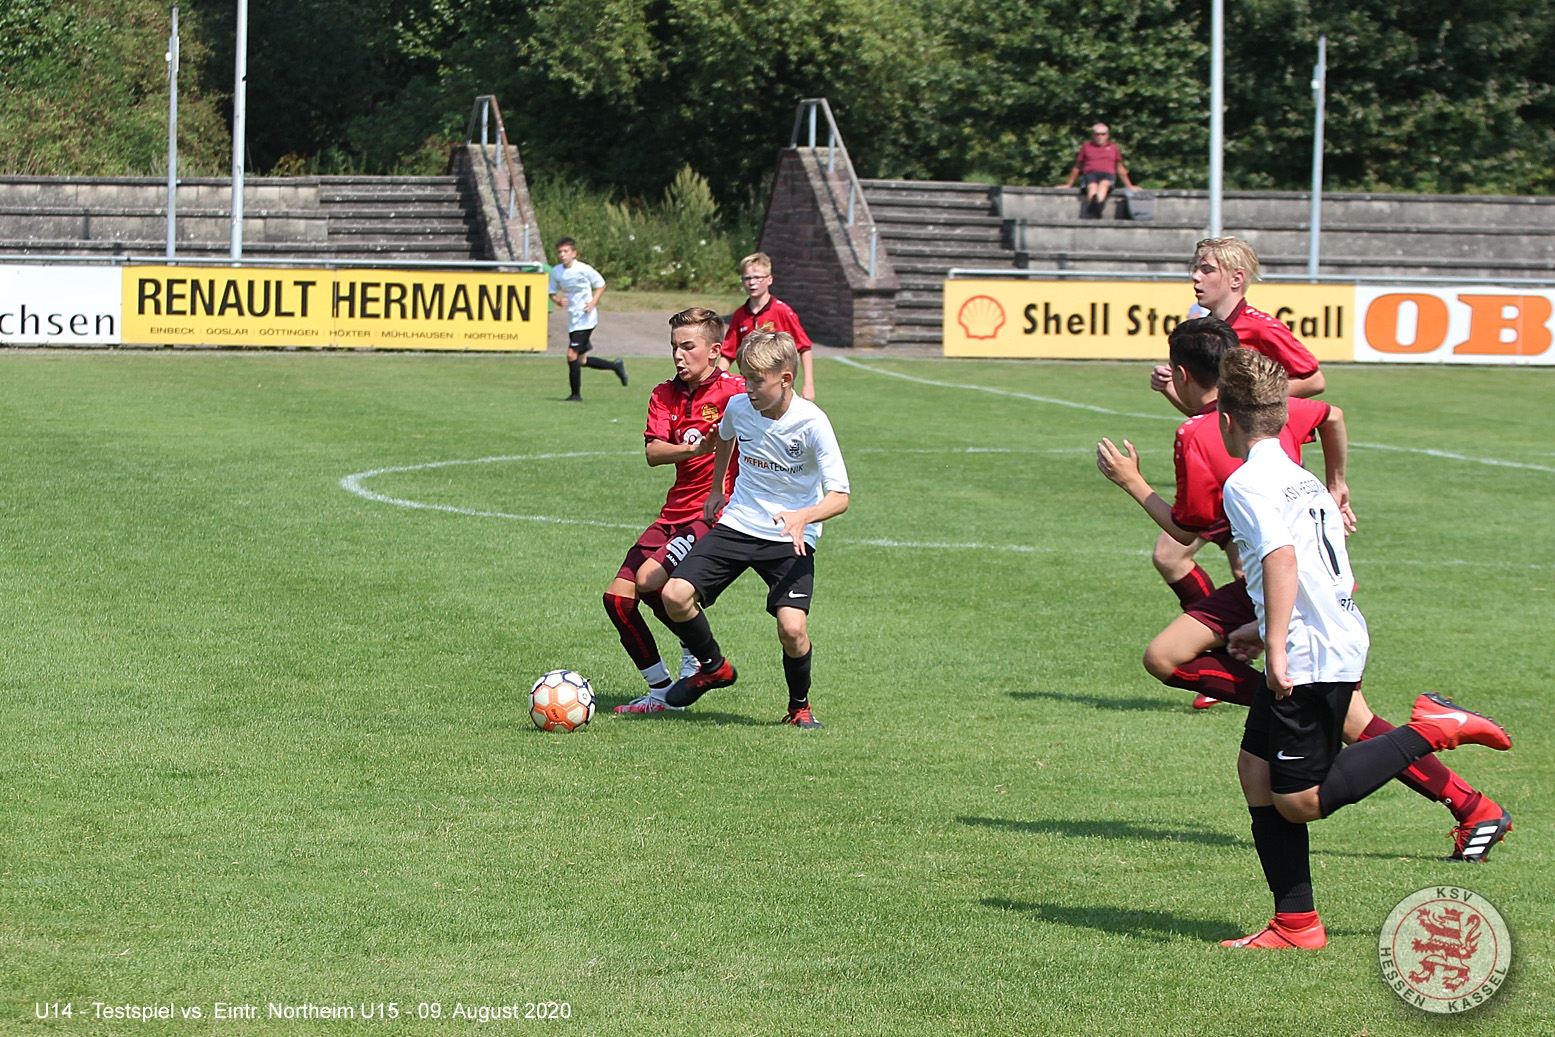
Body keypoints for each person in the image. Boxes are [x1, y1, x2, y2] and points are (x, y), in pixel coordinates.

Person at [1097, 318, 1511, 863]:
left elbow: (1190, 529)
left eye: (1206, 270)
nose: (1199, 278)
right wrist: (1338, 483)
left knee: (1175, 660)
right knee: (1284, 752)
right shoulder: (1277, 417)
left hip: (1286, 598)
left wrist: (1132, 482)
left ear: (1180, 373)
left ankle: (1464, 794)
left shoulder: (1201, 436)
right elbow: (1331, 412)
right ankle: (1302, 916)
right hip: (1314, 593)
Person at [1214, 348, 1511, 948]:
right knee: (1256, 771)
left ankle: (1435, 728)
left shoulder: (1246, 482)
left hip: (1308, 653)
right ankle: (1296, 923)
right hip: (1329, 632)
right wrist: (1268, 623)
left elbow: (1280, 557)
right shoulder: (1302, 478)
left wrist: (1275, 644)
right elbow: (1331, 571)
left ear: (1226, 417)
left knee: (1300, 801)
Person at [658, 332, 850, 727]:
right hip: (741, 521)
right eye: (745, 378)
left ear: (785, 379)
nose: (748, 388)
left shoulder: (813, 422)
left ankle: (799, 708)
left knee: (792, 629)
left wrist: (804, 516)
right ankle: (713, 667)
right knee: (674, 595)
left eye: (757, 381)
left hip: (790, 535)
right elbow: (726, 438)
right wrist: (716, 491)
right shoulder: (739, 406)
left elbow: (841, 497)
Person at [605, 308, 747, 714]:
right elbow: (653, 453)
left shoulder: (736, 393)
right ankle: (664, 691)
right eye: (674, 347)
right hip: (672, 513)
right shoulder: (663, 393)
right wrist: (693, 448)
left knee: (652, 581)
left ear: (715, 350)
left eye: (688, 346)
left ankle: (701, 660)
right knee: (617, 599)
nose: (679, 356)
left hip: (709, 514)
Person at [1151, 237, 1325, 417]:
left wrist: (1249, 396)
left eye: (1207, 270)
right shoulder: (1205, 332)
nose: (1196, 276)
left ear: (1236, 279)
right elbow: (1208, 413)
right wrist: (1168, 387)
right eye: (1195, 269)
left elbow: (1315, 381)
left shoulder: (1260, 327)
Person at [719, 252, 816, 401]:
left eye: (757, 277)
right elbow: (728, 353)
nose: (752, 283)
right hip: (750, 388)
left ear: (770, 279)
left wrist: (809, 384)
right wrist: (714, 382)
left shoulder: (782, 311)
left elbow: (804, 348)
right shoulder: (740, 315)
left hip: (779, 389)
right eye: (747, 278)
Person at [548, 237, 627, 401]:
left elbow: (601, 284)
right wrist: (558, 300)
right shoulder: (556, 271)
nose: (562, 255)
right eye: (559, 252)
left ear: (574, 253)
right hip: (573, 319)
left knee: (571, 355)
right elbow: (552, 291)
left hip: (586, 318)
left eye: (566, 251)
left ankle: (575, 395)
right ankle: (615, 365)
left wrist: (593, 302)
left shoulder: (583, 269)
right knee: (581, 360)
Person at [1057, 123, 1134, 218]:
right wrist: (1069, 184)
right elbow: (1078, 166)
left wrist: (1129, 185)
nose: (1100, 137)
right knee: (1092, 186)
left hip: (1108, 175)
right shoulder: (1087, 146)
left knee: (1104, 184)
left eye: (1103, 134)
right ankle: (1095, 204)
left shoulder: (1113, 148)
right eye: (1097, 134)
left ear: (1107, 135)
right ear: (1093, 135)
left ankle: (1097, 204)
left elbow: (1120, 167)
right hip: (1090, 174)